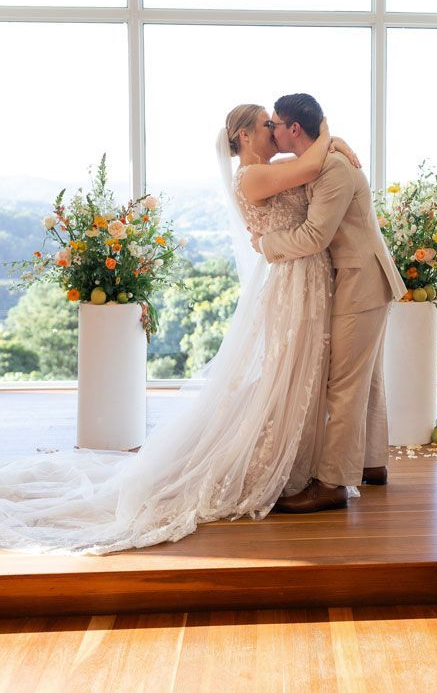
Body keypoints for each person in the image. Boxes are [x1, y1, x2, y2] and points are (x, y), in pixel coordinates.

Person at [0, 105, 356, 555]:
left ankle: (300, 464)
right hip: (292, 282)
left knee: (298, 372)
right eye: (266, 123)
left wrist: (333, 144)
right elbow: (311, 162)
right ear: (244, 136)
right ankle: (266, 464)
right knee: (286, 370)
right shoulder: (250, 176)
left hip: (305, 279)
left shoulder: (274, 168)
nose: (273, 129)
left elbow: (313, 162)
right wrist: (329, 132)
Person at [252, 94, 406, 513]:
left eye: (275, 125)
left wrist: (265, 244)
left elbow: (314, 237)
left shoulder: (334, 169)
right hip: (363, 278)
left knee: (344, 382)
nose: (272, 132)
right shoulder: (324, 160)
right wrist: (333, 138)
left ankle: (333, 484)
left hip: (362, 281)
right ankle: (372, 464)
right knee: (366, 376)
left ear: (293, 129)